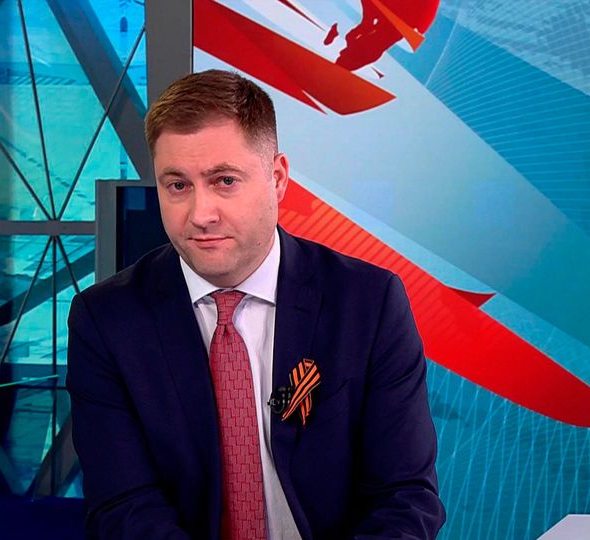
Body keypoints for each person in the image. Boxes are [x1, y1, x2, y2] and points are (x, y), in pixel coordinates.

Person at [67, 69, 445, 540]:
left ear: (277, 178)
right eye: (177, 186)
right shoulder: (107, 320)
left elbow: (404, 497)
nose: (201, 215)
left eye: (224, 181)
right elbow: (123, 506)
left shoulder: (367, 303)